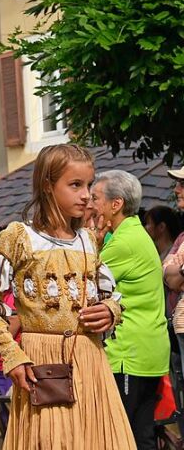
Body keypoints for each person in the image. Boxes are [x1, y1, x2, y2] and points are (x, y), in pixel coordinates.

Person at [0, 143, 134, 449]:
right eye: (75, 185)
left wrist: (110, 311)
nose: (86, 194)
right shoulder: (20, 236)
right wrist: (11, 355)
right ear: (48, 185)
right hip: (41, 363)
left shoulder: (88, 239)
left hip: (90, 360)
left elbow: (107, 295)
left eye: (88, 185)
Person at [93, 169, 169, 450]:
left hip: (129, 353)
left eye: (95, 198)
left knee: (125, 435)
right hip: (144, 349)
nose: (90, 204)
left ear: (116, 204)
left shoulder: (124, 243)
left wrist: (92, 240)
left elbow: (82, 281)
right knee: (140, 433)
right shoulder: (133, 234)